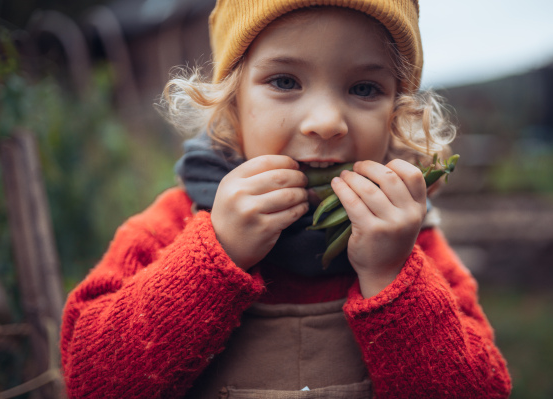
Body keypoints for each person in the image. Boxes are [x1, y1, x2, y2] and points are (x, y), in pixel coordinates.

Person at [60, 1, 512, 398]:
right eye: (284, 81)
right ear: (231, 103)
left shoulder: (412, 241)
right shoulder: (171, 223)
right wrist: (215, 254)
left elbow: (481, 389)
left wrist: (392, 277)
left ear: (396, 112)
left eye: (364, 88)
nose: (326, 121)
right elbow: (90, 382)